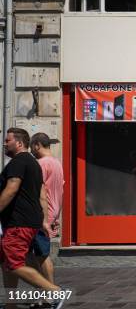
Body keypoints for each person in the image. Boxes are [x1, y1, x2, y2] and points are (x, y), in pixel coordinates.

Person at [1, 128, 67, 309]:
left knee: (16, 263)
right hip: (31, 221)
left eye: (7, 140)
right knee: (7, 262)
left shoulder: (19, 163)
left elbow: (12, 188)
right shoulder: (35, 164)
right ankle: (10, 304)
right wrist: (45, 219)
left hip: (19, 223)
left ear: (20, 143)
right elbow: (42, 196)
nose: (4, 143)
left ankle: (53, 292)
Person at [30, 132, 65, 288]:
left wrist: (45, 218)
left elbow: (39, 191)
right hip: (51, 214)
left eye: (32, 146)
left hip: (41, 215)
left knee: (41, 256)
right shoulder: (57, 163)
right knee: (38, 256)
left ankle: (49, 293)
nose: (31, 150)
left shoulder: (41, 164)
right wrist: (56, 217)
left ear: (37, 145)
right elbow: (61, 192)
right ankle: (44, 294)